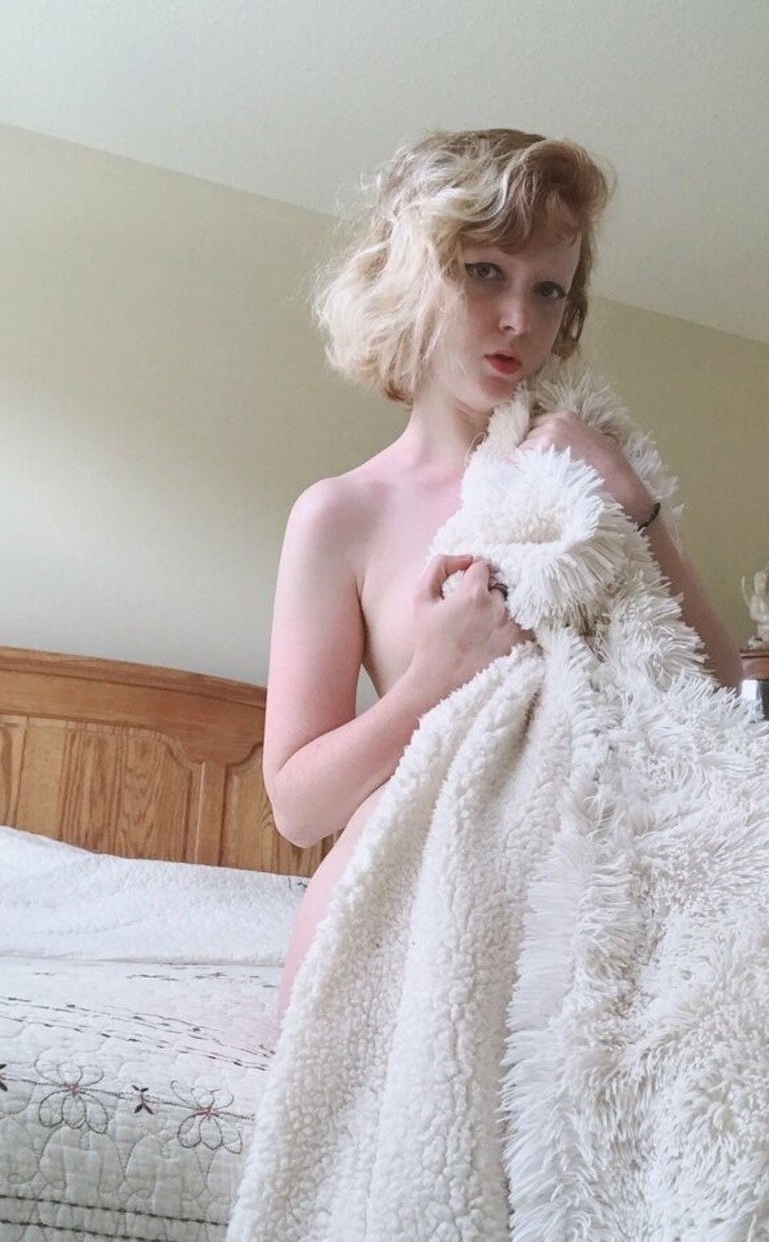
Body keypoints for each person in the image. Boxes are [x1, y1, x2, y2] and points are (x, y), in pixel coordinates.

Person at [263, 128, 743, 1016]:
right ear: (411, 277)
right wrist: (431, 680)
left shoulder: (590, 477)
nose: (520, 319)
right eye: (485, 272)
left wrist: (635, 500)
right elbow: (298, 808)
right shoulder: (341, 515)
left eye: (548, 288)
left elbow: (714, 684)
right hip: (416, 920)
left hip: (597, 911)